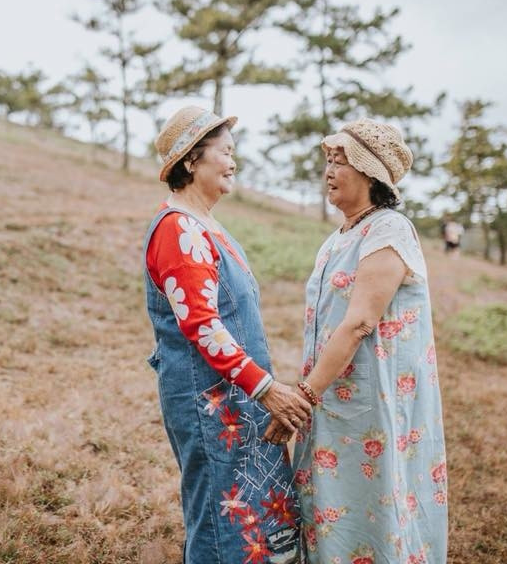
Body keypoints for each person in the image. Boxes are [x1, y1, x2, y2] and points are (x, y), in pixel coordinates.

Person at [143, 106, 311, 564]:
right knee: (222, 521)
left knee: (251, 521)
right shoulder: (178, 228)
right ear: (191, 160)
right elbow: (202, 325)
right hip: (212, 403)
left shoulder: (205, 225)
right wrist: (267, 388)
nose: (234, 162)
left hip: (237, 399)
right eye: (226, 152)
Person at [288, 118, 448, 563]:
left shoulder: (388, 229)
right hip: (331, 394)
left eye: (340, 161)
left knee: (373, 503)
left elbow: (360, 322)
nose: (329, 170)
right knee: (332, 503)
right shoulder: (337, 238)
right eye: (327, 160)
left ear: (371, 173)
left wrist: (303, 395)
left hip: (372, 401)